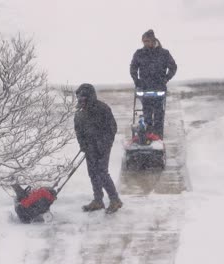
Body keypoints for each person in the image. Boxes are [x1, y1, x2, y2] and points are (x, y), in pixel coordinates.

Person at [74, 83, 123, 214]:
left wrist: (104, 143)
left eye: (83, 99)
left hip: (102, 146)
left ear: (89, 97)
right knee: (93, 173)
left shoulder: (102, 109)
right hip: (89, 147)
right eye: (79, 99)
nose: (81, 101)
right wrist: (83, 144)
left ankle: (115, 200)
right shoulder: (80, 112)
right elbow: (78, 131)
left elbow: (112, 128)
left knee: (102, 172)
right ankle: (98, 200)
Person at [130, 29, 177, 137]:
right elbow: (133, 68)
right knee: (147, 113)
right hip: (144, 88)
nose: (145, 44)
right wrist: (136, 81)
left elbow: (173, 67)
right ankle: (146, 135)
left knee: (158, 115)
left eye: (147, 41)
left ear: (153, 40)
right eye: (144, 41)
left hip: (159, 88)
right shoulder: (139, 53)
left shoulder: (164, 53)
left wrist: (166, 79)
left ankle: (157, 137)